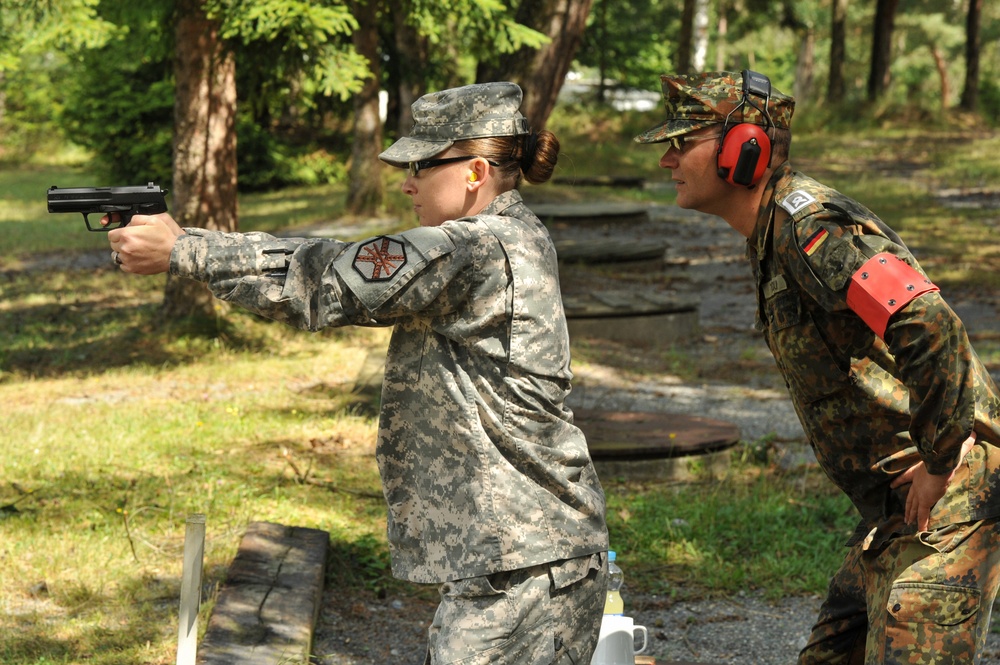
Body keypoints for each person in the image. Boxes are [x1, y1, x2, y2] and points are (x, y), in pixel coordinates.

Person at [106, 81, 610, 665]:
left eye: (423, 164)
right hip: (517, 561)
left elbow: (333, 278)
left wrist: (189, 249)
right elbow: (335, 275)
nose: (406, 181)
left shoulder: (478, 250)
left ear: (475, 170)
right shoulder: (500, 242)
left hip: (524, 567)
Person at [634, 69, 1000, 664]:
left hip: (948, 492)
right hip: (896, 505)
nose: (667, 160)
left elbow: (930, 324)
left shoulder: (812, 228)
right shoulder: (771, 231)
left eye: (683, 142)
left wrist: (939, 459)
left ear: (743, 149)